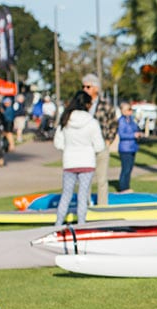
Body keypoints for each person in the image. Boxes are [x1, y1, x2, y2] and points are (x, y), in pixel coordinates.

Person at [52, 91, 105, 227]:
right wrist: (89, 149)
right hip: (87, 162)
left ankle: (58, 223)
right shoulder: (92, 122)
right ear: (87, 105)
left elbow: (58, 143)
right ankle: (81, 224)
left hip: (70, 162)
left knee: (66, 195)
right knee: (83, 195)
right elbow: (99, 146)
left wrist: (69, 148)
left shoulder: (66, 119)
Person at [81, 74, 117, 206]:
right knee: (86, 179)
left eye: (88, 86)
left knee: (101, 179)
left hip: (101, 146)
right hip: (85, 146)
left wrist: (109, 140)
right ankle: (85, 206)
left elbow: (114, 123)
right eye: (83, 86)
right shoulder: (82, 104)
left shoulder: (105, 105)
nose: (85, 89)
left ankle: (103, 206)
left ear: (96, 88)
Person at [115, 101, 141, 193]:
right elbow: (122, 134)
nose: (131, 111)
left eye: (131, 109)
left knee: (129, 168)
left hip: (132, 147)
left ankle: (127, 186)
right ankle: (123, 187)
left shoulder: (131, 120)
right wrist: (133, 135)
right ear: (123, 111)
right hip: (125, 148)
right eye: (129, 109)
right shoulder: (121, 121)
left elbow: (136, 128)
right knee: (125, 168)